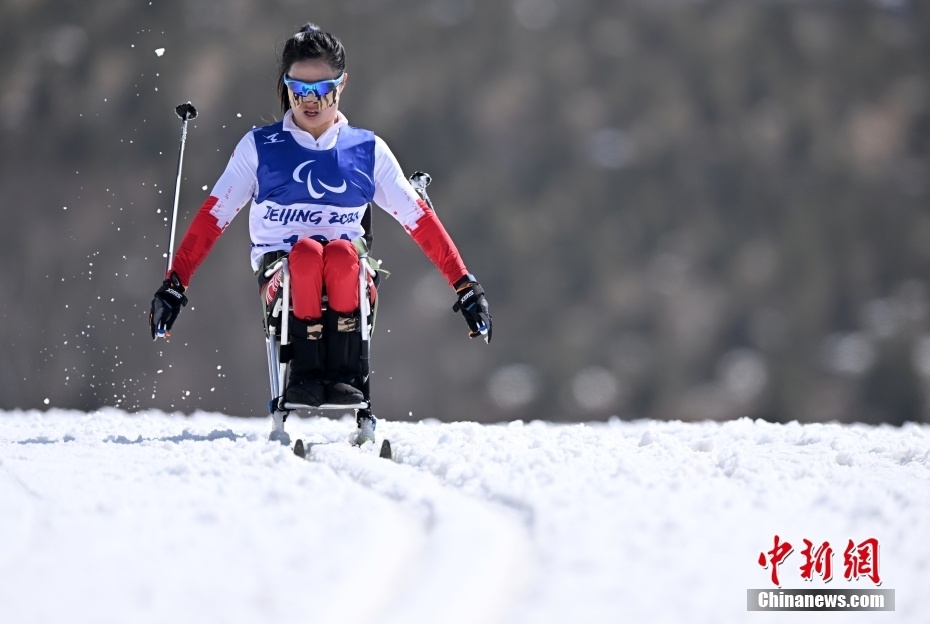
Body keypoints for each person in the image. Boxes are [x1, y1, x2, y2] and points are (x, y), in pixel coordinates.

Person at [149, 23, 491, 410]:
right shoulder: (260, 148)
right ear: (285, 85)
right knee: (308, 254)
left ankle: (346, 374)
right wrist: (175, 283)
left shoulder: (367, 149)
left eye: (322, 89)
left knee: (343, 255)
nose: (309, 101)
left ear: (342, 85)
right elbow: (213, 219)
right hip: (283, 275)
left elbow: (419, 220)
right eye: (298, 89)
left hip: (349, 271)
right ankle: (306, 373)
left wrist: (465, 286)